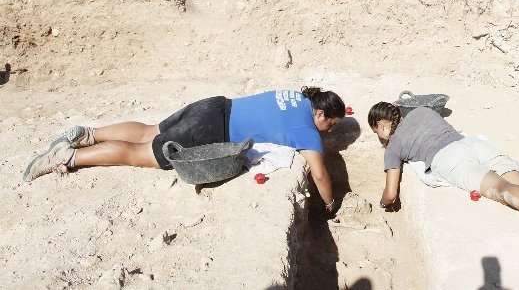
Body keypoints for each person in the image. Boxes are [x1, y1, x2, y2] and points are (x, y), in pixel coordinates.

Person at [23, 87, 345, 214]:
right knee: (142, 154)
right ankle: (68, 156)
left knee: (151, 130)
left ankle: (88, 133)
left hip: (213, 106)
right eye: (331, 125)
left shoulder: (296, 96)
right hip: (210, 130)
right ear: (321, 115)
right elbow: (318, 172)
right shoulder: (309, 130)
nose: (329, 132)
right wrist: (330, 204)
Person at [367, 102, 519, 256]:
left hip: (449, 158)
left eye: (377, 131)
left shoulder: (392, 147)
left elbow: (390, 195)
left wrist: (381, 204)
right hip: (471, 143)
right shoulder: (422, 111)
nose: (380, 137)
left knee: (502, 188)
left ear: (381, 124)